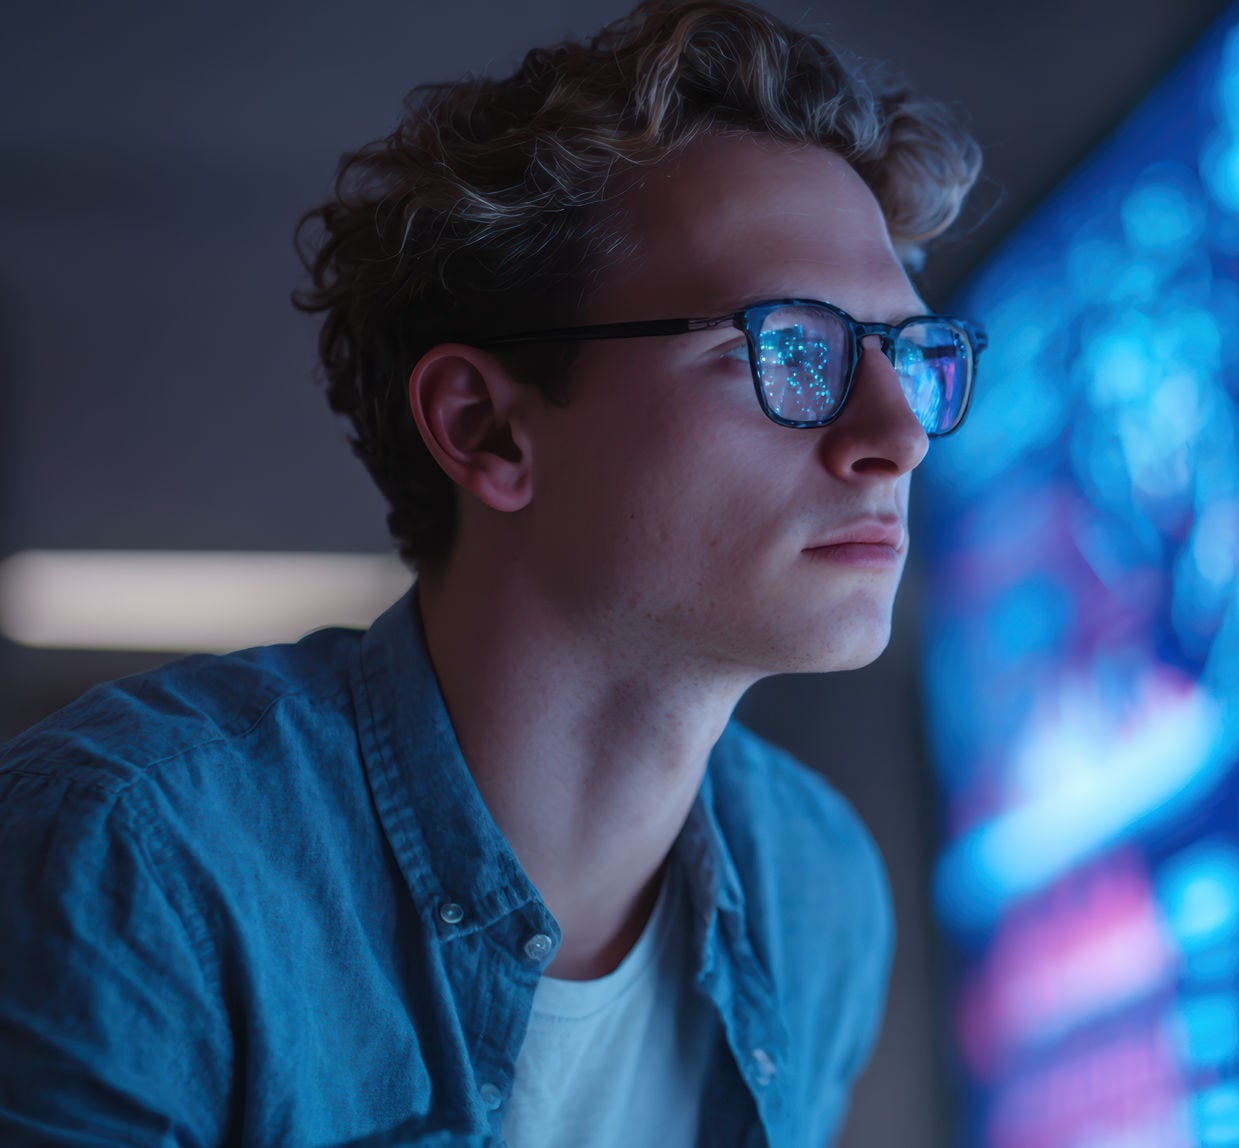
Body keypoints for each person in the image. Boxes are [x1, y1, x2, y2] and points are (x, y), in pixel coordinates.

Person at [0, 2, 983, 1144]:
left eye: (910, 355)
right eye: (786, 348)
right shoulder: (135, 856)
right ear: (487, 430)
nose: (897, 435)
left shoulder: (815, 888)